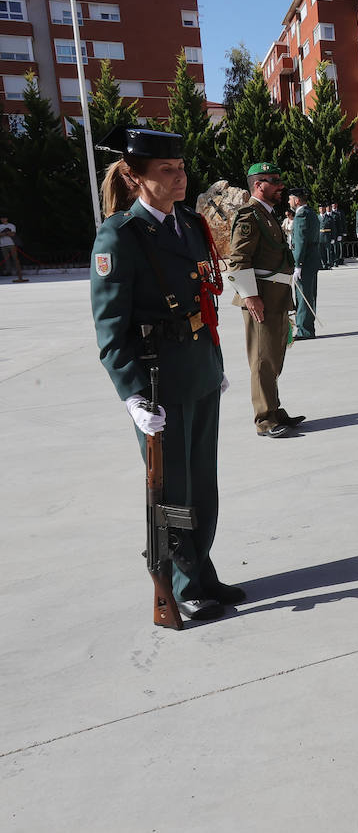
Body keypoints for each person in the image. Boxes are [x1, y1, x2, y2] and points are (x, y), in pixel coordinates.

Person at [89, 127, 243, 621]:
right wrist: (132, 395)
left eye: (181, 169)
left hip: (198, 370)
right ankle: (181, 586)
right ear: (135, 178)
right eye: (166, 171)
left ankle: (201, 571)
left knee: (203, 484)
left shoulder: (190, 225)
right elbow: (110, 329)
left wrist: (213, 362)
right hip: (159, 384)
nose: (180, 178)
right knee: (173, 491)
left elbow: (205, 300)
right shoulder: (121, 236)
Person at [224, 162, 305, 438]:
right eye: (274, 180)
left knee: (274, 357)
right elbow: (238, 261)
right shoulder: (250, 215)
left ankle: (274, 409)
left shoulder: (266, 214)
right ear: (258, 185)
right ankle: (264, 419)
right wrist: (251, 297)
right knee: (262, 360)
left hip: (276, 296)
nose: (281, 185)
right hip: (261, 298)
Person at [288, 189, 321, 340]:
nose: (289, 202)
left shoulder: (301, 215)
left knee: (303, 297)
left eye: (290, 199)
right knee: (308, 295)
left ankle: (304, 330)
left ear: (297, 200)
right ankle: (307, 328)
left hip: (305, 262)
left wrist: (298, 264)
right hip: (311, 261)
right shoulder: (311, 212)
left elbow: (300, 242)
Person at [1, 209, 27, 282]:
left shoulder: (11, 225)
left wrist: (4, 234)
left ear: (6, 219)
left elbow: (13, 234)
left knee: (15, 258)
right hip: (3, 245)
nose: (3, 219)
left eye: (4, 218)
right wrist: (7, 233)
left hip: (11, 244)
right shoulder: (0, 226)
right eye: (2, 218)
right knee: (6, 259)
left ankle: (19, 273)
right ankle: (8, 271)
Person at [317, 202, 334, 270]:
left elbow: (333, 228)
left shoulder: (329, 217)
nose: (321, 209)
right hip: (320, 236)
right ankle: (323, 264)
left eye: (323, 208)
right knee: (321, 251)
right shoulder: (317, 217)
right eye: (320, 208)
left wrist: (333, 237)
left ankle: (329, 264)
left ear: (325, 209)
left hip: (327, 235)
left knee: (328, 251)